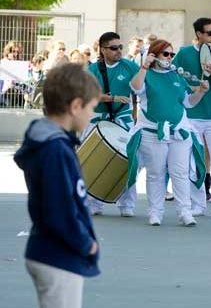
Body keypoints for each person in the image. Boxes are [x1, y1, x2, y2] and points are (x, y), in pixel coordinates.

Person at [13, 63, 101, 308]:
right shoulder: (56, 150)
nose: (92, 114)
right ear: (75, 106)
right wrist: (86, 243)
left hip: (51, 251)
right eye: (91, 108)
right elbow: (60, 209)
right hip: (58, 255)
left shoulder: (53, 143)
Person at [127, 39, 209, 226]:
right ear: (154, 55)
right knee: (155, 173)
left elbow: (188, 102)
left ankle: (185, 212)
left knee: (180, 172)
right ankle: (155, 212)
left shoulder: (176, 75)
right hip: (152, 131)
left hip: (179, 130)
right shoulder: (146, 74)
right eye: (166, 54)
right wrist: (144, 66)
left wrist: (201, 92)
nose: (170, 58)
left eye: (172, 55)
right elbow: (136, 87)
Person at [172, 17, 211, 219]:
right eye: (210, 33)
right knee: (195, 159)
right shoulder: (184, 53)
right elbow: (173, 75)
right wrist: (190, 89)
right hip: (192, 115)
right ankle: (197, 203)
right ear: (198, 34)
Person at [86, 31, 140, 217]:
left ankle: (127, 204)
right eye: (114, 48)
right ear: (103, 49)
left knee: (129, 160)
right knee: (94, 161)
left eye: (120, 47)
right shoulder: (93, 69)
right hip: (97, 118)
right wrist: (111, 98)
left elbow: (141, 86)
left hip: (122, 118)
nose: (119, 51)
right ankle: (94, 203)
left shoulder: (129, 66)